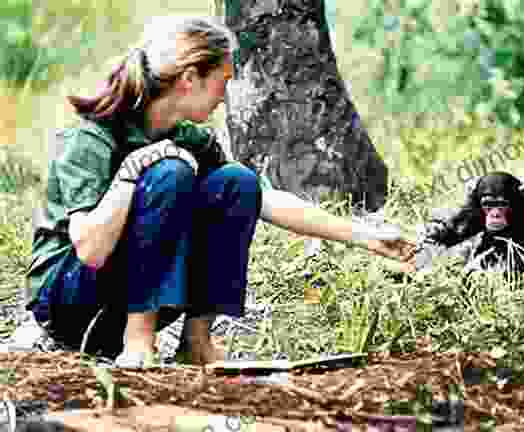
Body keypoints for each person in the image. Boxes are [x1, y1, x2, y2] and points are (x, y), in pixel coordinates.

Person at [23, 16, 416, 367]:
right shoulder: (93, 138)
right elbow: (90, 251)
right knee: (170, 172)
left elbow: (265, 199)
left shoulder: (189, 137)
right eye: (222, 82)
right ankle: (138, 341)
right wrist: (132, 173)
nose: (224, 96)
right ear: (190, 78)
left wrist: (366, 235)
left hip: (122, 297)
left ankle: (196, 343)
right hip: (71, 303)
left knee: (236, 182)